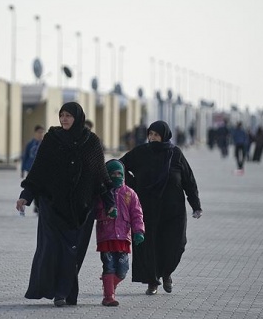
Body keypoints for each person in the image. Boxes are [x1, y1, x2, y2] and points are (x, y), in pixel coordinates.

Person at [15, 102, 116, 307]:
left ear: (77, 117)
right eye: (61, 115)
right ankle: (59, 293)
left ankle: (66, 292)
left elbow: (100, 177)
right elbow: (39, 170)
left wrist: (110, 203)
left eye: (68, 116)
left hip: (82, 209)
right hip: (52, 206)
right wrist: (26, 195)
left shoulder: (91, 142)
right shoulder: (52, 139)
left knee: (73, 253)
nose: (64, 119)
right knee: (53, 250)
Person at [119, 120, 202, 295]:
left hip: (173, 210)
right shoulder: (141, 153)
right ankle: (152, 281)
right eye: (150, 135)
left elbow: (188, 180)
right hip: (147, 208)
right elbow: (119, 166)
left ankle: (167, 273)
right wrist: (133, 184)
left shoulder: (175, 154)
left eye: (156, 135)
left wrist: (195, 205)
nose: (152, 138)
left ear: (164, 136)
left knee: (176, 244)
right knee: (149, 245)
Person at [95, 159, 145, 307]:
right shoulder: (102, 193)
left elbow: (137, 214)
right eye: (113, 174)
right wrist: (105, 213)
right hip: (106, 236)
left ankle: (109, 283)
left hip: (123, 237)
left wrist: (139, 231)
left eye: (119, 173)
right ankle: (108, 296)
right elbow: (95, 211)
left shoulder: (129, 193)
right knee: (109, 266)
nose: (116, 176)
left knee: (123, 270)